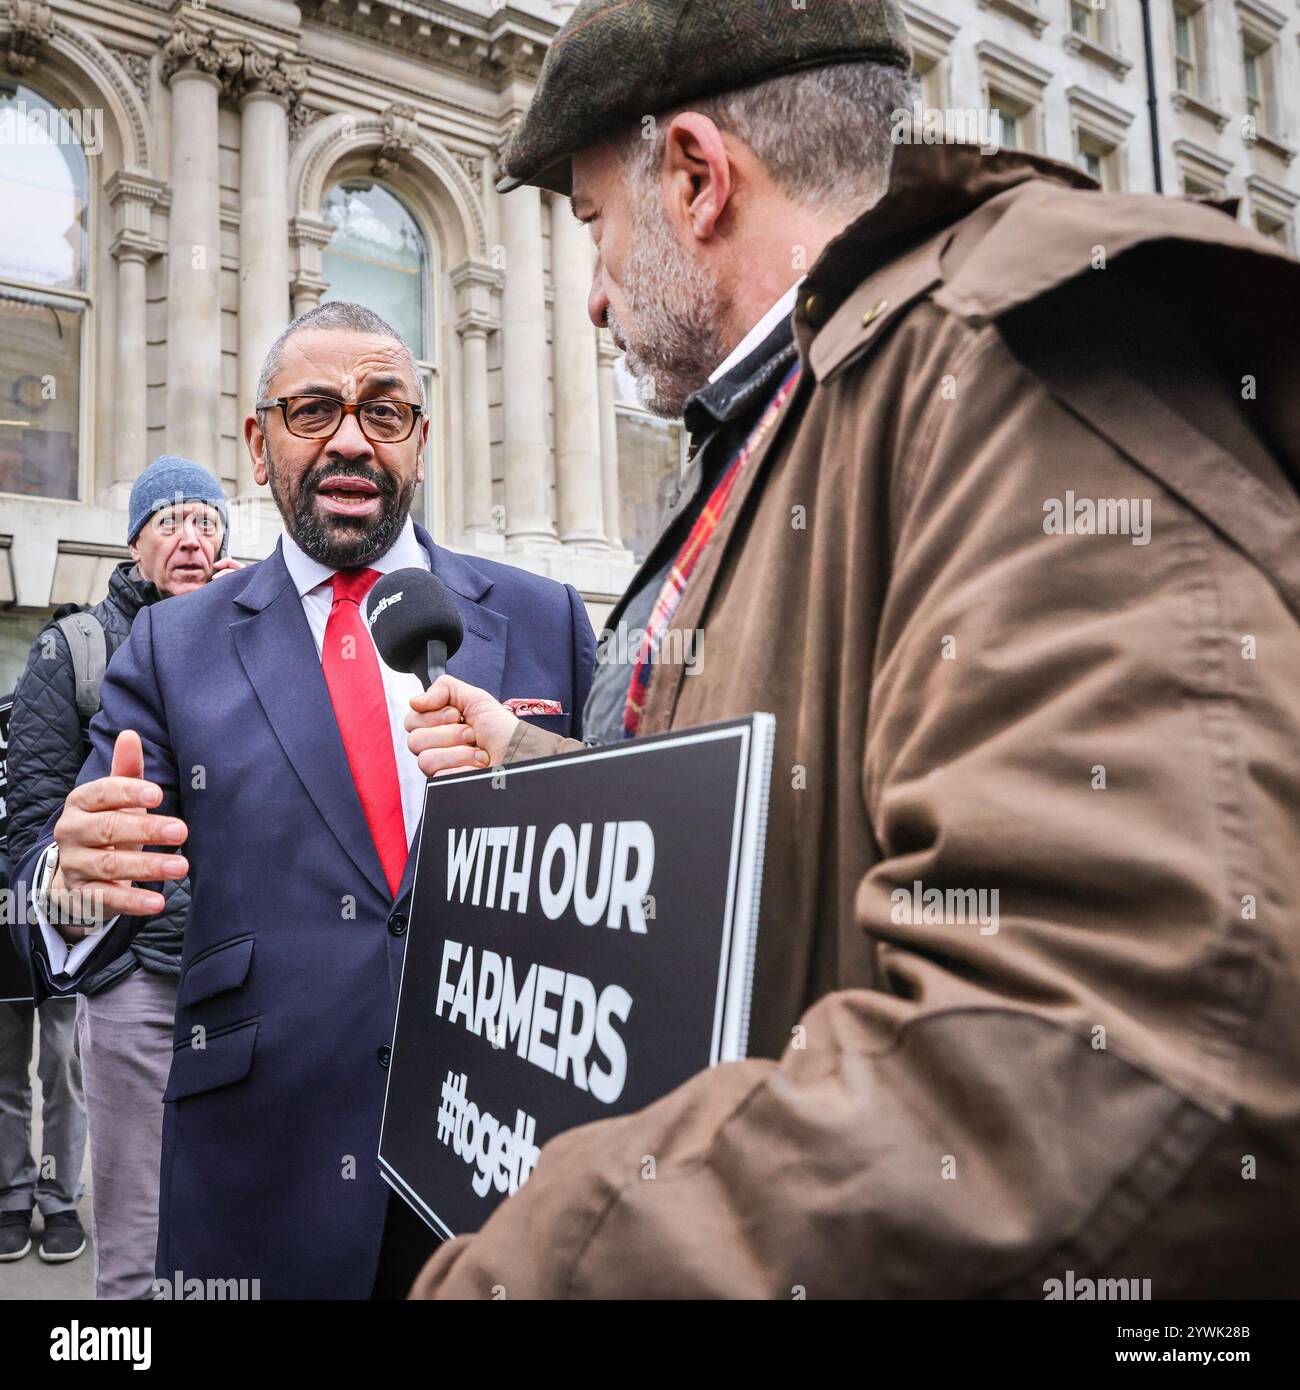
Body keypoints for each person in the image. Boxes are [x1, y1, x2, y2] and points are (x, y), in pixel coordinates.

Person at [400, 0, 1300, 1297]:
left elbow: (1129, 1053)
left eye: (596, 227)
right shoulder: (810, 403)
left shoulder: (1007, 365)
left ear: (699, 178)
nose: (591, 298)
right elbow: (786, 805)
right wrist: (536, 760)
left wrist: (542, 1267)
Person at [14, 300, 596, 1299]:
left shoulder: (544, 618)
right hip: (259, 1188)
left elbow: (633, 868)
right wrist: (73, 879)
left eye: (382, 410)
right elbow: (75, 906)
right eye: (313, 408)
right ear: (258, 441)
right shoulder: (171, 647)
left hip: (512, 1183)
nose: (348, 440)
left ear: (420, 436)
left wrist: (547, 769)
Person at [5, 457, 238, 1290]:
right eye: (170, 521)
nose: (192, 537)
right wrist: (80, 927)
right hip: (137, 979)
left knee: (240, 1230)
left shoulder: (253, 634)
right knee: (136, 1252)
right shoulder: (76, 650)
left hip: (255, 980)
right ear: (134, 542)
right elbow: (34, 837)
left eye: (207, 522)